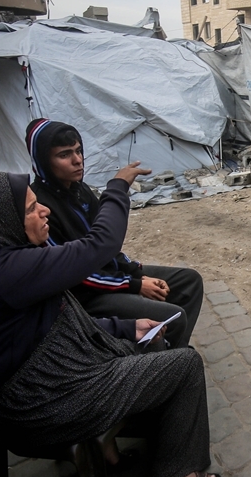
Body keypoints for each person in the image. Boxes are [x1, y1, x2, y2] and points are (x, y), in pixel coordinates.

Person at [0, 168, 219, 477]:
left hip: (36, 386)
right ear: (0, 221)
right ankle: (173, 476)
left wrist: (126, 327)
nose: (43, 210)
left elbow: (52, 325)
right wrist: (119, 186)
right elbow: (101, 244)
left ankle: (109, 450)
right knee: (185, 364)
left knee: (152, 339)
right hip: (42, 404)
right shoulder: (7, 273)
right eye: (31, 209)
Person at [24, 118, 203, 349]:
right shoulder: (42, 210)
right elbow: (76, 276)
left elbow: (108, 247)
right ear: (43, 161)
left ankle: (173, 352)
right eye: (64, 154)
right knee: (172, 314)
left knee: (189, 281)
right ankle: (166, 362)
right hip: (88, 295)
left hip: (111, 277)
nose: (77, 160)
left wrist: (136, 272)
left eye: (79, 151)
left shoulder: (80, 190)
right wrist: (134, 284)